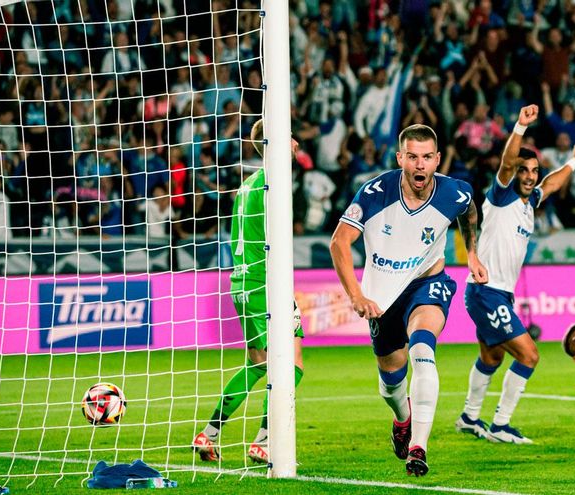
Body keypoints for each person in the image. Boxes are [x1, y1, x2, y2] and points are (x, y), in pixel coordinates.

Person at [329, 124, 487, 477]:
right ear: (400, 158)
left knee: (422, 348)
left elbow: (469, 211)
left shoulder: (454, 191)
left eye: (427, 157)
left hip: (427, 283)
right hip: (383, 296)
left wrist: (472, 254)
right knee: (391, 382)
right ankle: (403, 418)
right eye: (413, 157)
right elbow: (339, 243)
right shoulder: (375, 193)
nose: (420, 165)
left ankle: (419, 447)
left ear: (437, 159)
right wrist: (356, 295)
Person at [456, 104, 575, 444]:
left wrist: (574, 161)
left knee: (492, 356)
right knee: (529, 355)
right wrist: (519, 126)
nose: (529, 176)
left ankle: (469, 417)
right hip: (486, 291)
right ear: (514, 174)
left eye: (533, 171)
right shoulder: (502, 196)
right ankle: (501, 425)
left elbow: (552, 183)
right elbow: (506, 162)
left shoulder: (530, 204)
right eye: (523, 170)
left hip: (496, 293)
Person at [193, 120, 305, 465]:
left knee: (257, 363)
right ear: (277, 141)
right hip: (265, 284)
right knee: (293, 364)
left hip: (240, 282)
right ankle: (265, 441)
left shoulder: (247, 184)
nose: (296, 142)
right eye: (290, 136)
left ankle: (209, 433)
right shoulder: (274, 183)